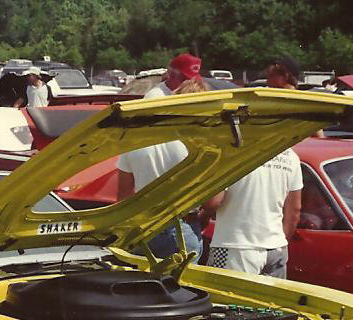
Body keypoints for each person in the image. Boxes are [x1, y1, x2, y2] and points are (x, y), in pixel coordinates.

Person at [117, 78, 208, 258]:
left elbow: (123, 197)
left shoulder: (134, 140)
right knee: (183, 285)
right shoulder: (199, 143)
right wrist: (203, 217)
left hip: (144, 227)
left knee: (144, 284)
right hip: (184, 226)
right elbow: (211, 200)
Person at [203, 148, 303, 278]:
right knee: (269, 298)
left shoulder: (232, 151)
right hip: (276, 248)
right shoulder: (290, 155)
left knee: (223, 297)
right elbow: (294, 211)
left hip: (235, 248)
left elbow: (212, 202)